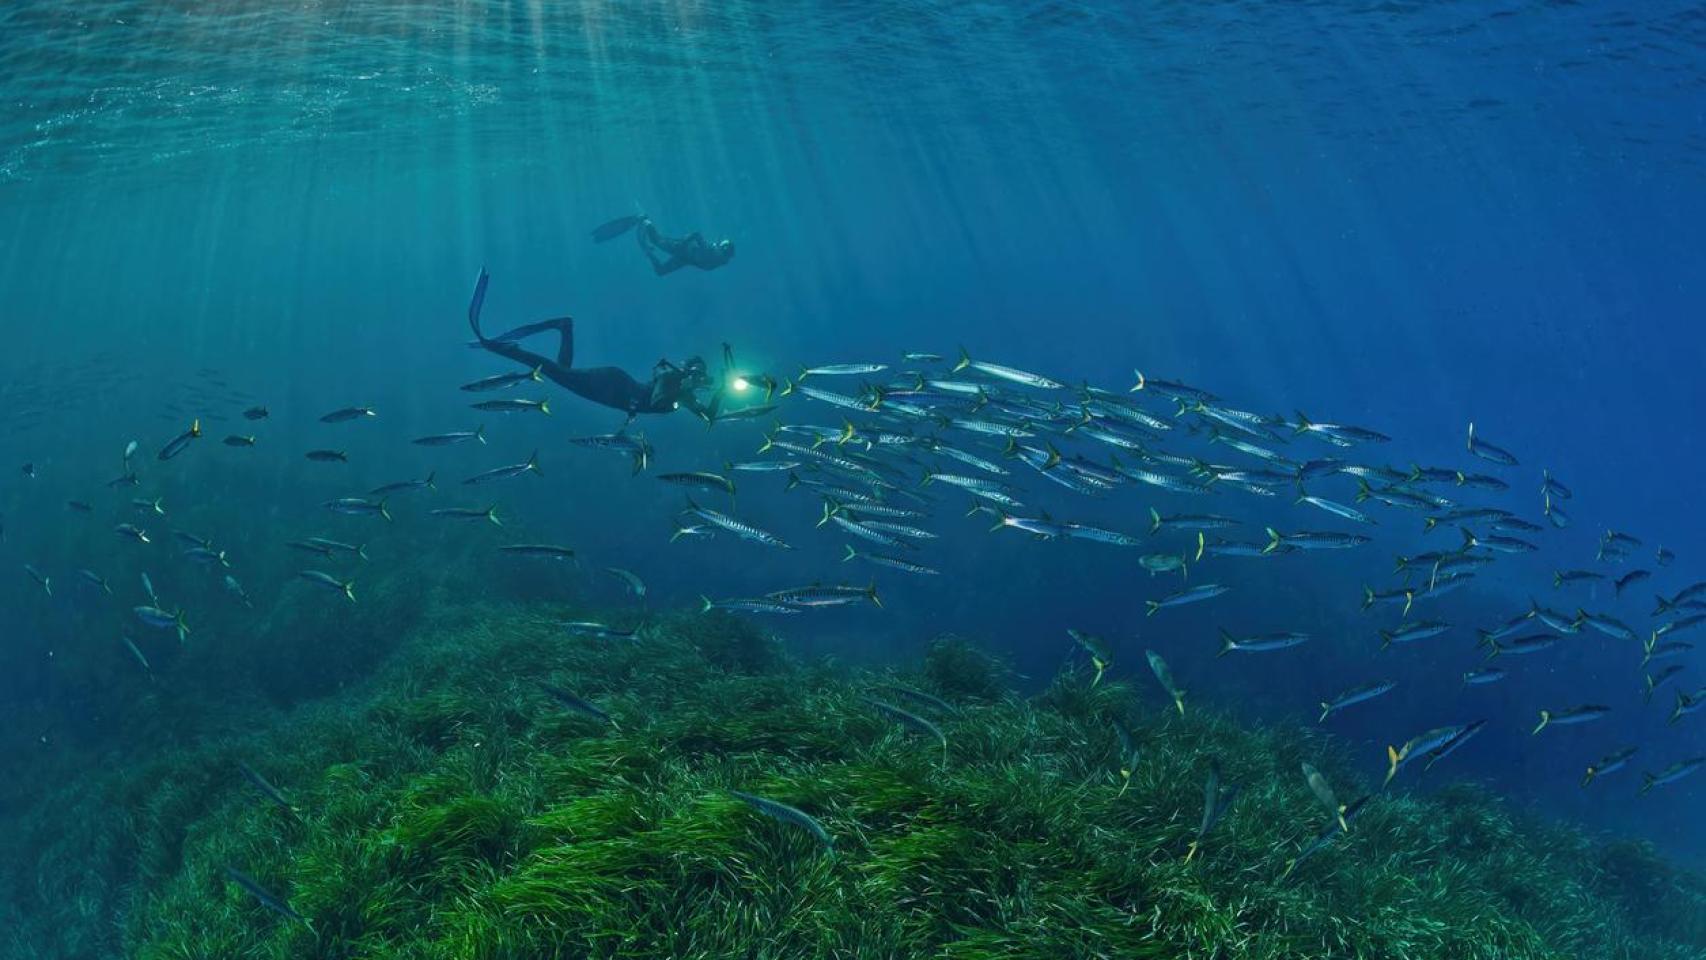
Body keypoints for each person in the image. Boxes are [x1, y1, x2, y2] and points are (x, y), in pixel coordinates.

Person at [466, 269, 714, 421]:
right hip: (613, 386)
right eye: (697, 373)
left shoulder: (683, 391)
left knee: (563, 373)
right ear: (688, 371)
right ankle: (504, 348)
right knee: (558, 373)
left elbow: (709, 416)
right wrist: (683, 388)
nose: (698, 379)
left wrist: (722, 391)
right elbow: (659, 400)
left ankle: (565, 327)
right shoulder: (672, 378)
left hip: (613, 391)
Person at [590, 214, 735, 275]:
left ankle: (648, 242)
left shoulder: (716, 260)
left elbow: (697, 236)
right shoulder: (710, 252)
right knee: (656, 240)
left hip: (685, 258)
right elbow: (697, 234)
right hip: (683, 250)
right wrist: (683, 242)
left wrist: (650, 255)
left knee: (661, 271)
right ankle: (644, 220)